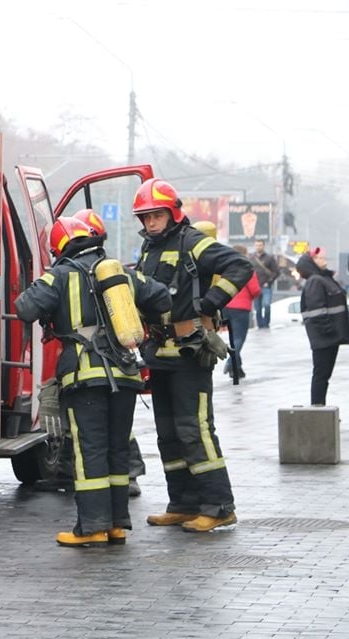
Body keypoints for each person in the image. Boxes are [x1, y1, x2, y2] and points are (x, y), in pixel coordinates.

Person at [15, 215, 170, 547]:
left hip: (86, 377)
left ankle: (91, 527)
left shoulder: (58, 275)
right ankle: (116, 524)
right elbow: (161, 298)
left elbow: (24, 308)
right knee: (117, 449)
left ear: (61, 245)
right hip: (126, 375)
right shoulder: (121, 274)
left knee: (89, 451)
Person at [133, 178, 253, 533]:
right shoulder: (149, 251)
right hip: (159, 354)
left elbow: (240, 267)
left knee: (195, 429)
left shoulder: (193, 243)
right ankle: (183, 503)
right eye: (145, 217)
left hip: (189, 354)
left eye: (156, 215)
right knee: (168, 434)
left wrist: (210, 302)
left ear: (172, 213)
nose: (151, 223)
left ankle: (219, 506)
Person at [73, 208, 146, 498]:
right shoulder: (119, 274)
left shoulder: (68, 275)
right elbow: (158, 297)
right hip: (124, 363)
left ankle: (112, 483)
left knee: (93, 430)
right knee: (119, 427)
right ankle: (129, 474)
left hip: (88, 367)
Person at [295, 247, 349, 406]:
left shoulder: (324, 278)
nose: (324, 258)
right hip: (325, 338)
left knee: (324, 375)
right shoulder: (315, 281)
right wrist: (330, 331)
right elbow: (316, 311)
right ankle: (318, 409)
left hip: (331, 337)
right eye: (319, 257)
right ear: (312, 263)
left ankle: (320, 409)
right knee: (321, 375)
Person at [222, 245, 261, 379]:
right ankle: (230, 362)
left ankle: (237, 369)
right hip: (241, 308)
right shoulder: (247, 268)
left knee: (233, 338)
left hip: (226, 306)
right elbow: (255, 290)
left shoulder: (225, 267)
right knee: (239, 339)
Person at [251, 239, 279, 328]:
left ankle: (266, 324)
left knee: (267, 305)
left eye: (260, 245)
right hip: (255, 286)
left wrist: (269, 281)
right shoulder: (251, 258)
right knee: (257, 308)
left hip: (266, 286)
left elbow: (276, 272)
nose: (258, 247)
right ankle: (260, 325)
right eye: (257, 245)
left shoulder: (269, 258)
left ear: (263, 246)